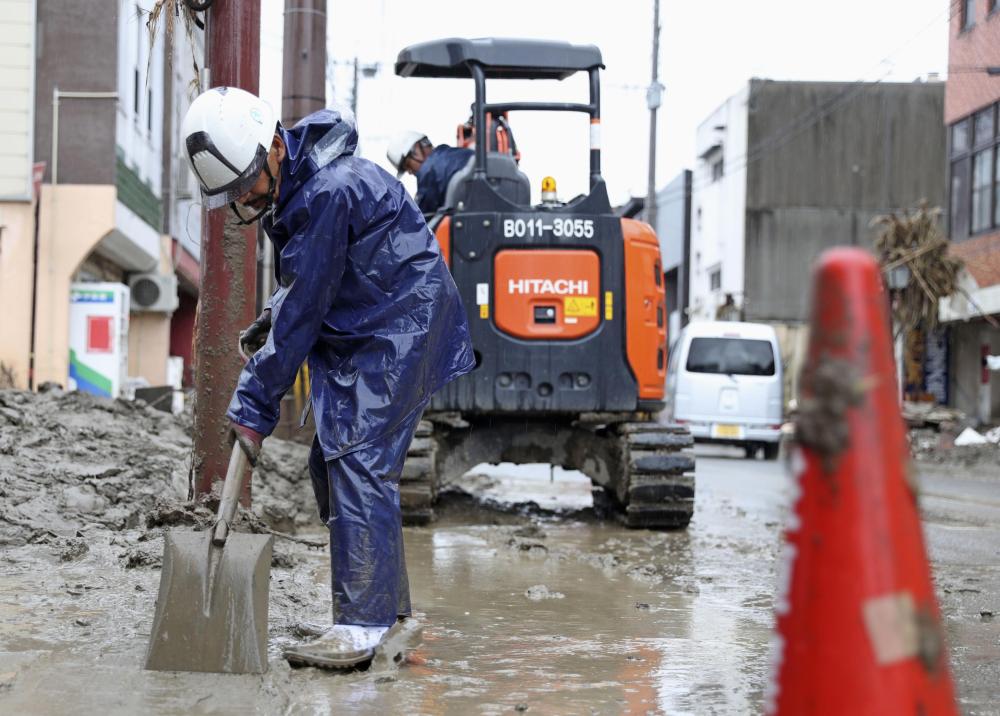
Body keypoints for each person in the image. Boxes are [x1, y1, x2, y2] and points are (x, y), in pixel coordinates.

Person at [181, 87, 475, 668]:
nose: (245, 197)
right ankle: (391, 614)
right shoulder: (305, 187)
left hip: (398, 328)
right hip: (375, 322)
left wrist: (254, 404)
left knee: (358, 461)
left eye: (247, 183)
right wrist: (274, 314)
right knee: (331, 465)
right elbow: (311, 280)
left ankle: (363, 625)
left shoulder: (326, 193)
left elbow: (308, 304)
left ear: (274, 149)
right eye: (235, 191)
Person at [386, 130, 473, 215]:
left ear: (416, 149)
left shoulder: (428, 172)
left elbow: (420, 217)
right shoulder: (458, 154)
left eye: (407, 165)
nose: (409, 172)